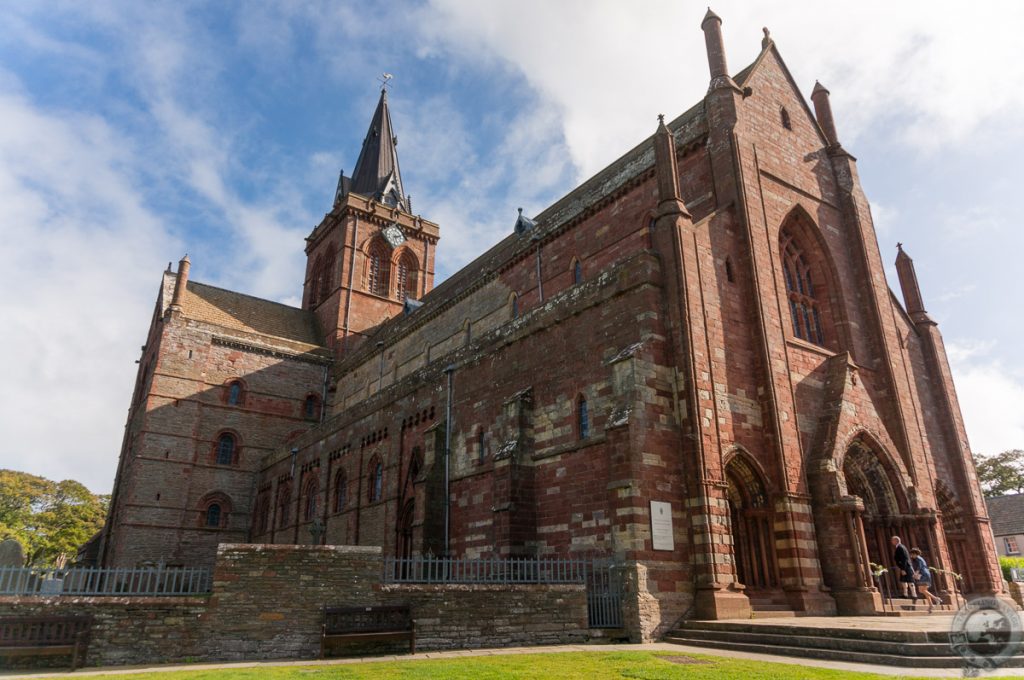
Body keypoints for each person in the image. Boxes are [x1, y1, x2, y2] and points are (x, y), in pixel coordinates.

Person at [910, 547, 942, 612]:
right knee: (924, 590)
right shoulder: (920, 558)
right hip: (925, 574)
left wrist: (916, 573)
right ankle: (931, 605)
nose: (911, 556)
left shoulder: (918, 559)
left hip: (923, 574)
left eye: (912, 554)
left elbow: (919, 566)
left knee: (921, 590)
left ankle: (936, 598)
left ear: (915, 554)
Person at [890, 536, 915, 601]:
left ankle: (914, 595)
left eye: (892, 540)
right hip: (905, 566)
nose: (891, 542)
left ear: (896, 541)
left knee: (909, 580)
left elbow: (904, 558)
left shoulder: (900, 547)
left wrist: (903, 569)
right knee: (903, 581)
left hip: (905, 567)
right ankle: (905, 594)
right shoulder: (901, 547)